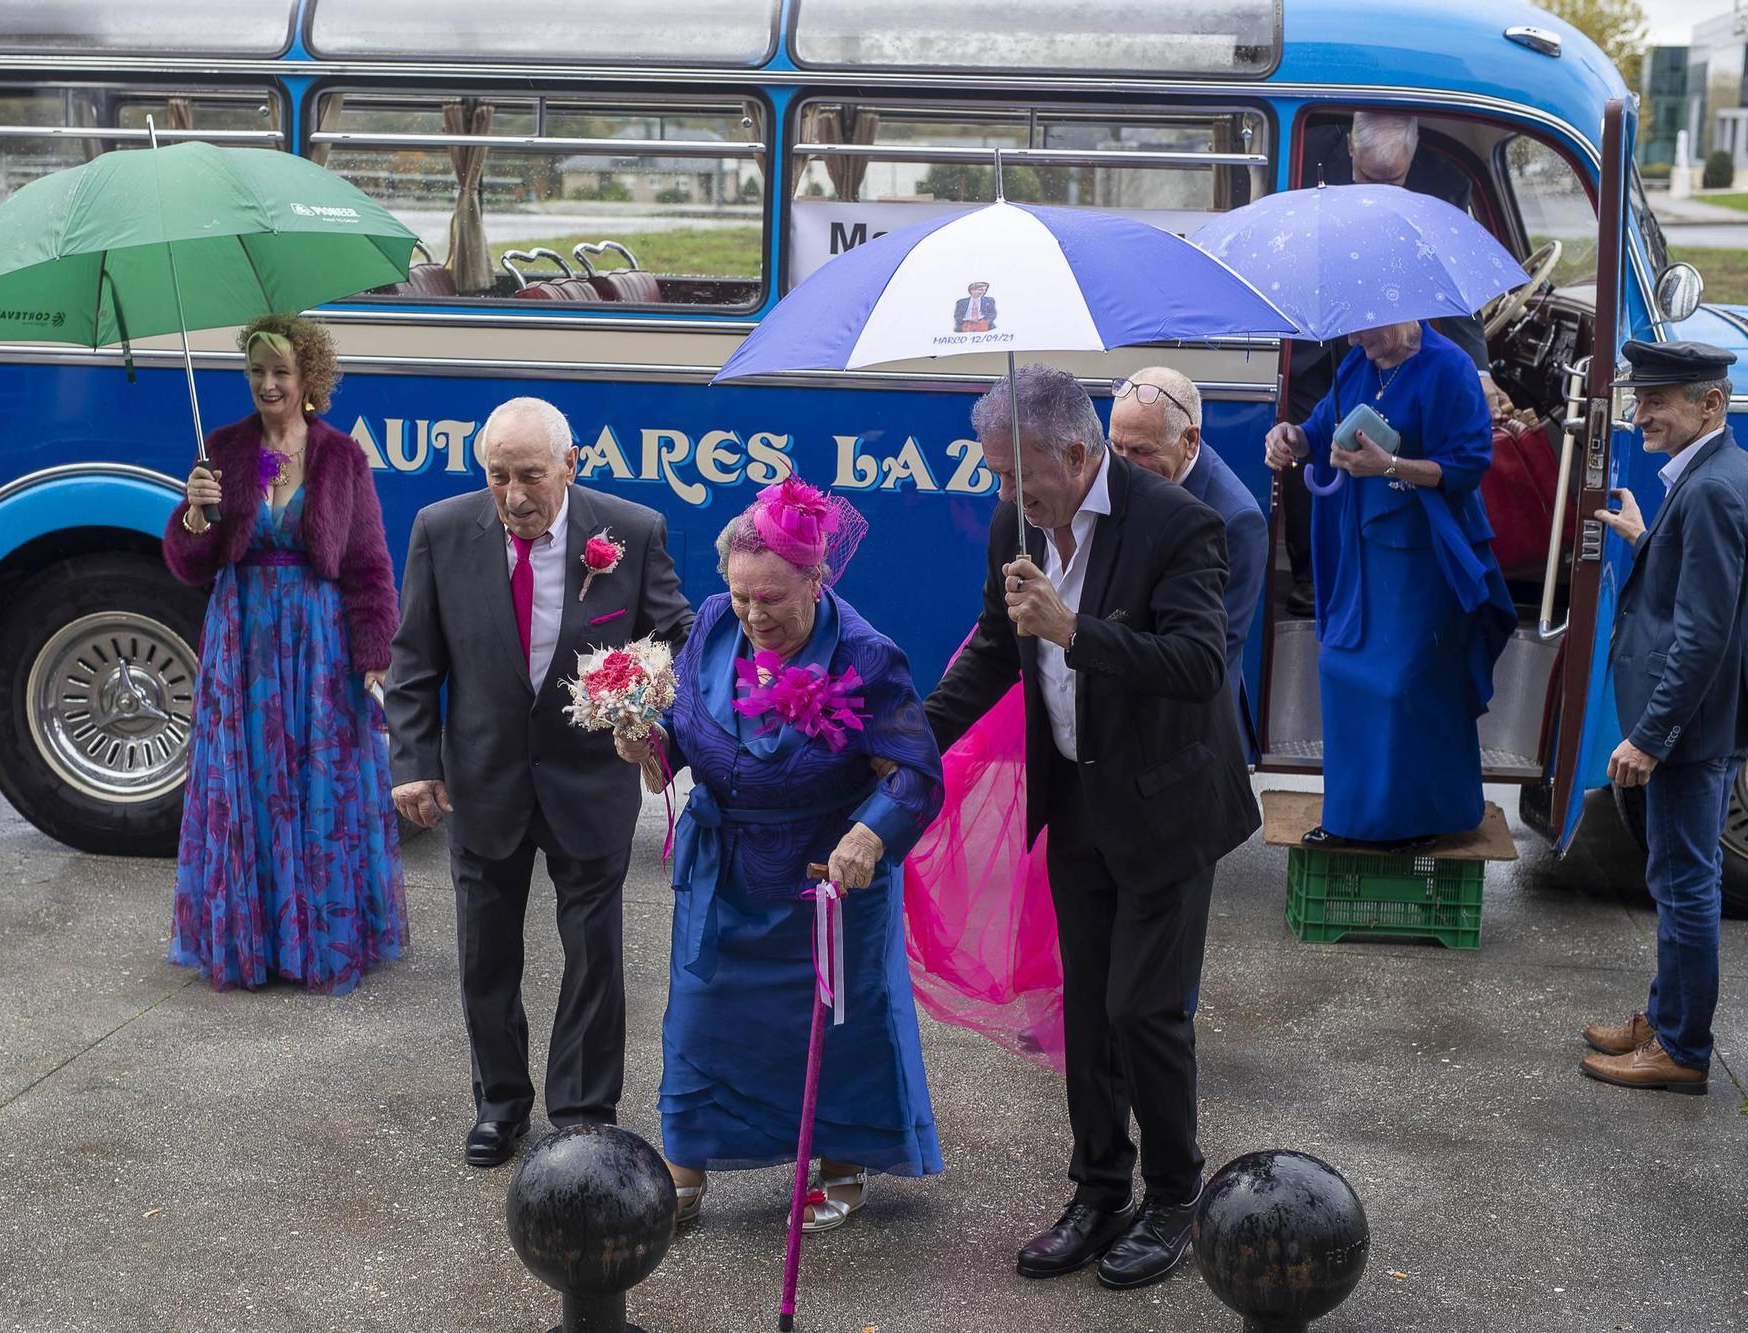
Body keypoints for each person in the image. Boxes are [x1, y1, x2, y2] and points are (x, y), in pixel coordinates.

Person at [926, 365, 1258, 1289]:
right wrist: (912, 742)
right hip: (1076, 800)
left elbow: (1199, 662)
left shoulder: (1180, 523)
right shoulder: (1017, 522)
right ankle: (1100, 1186)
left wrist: (1074, 628)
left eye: (1019, 478)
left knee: (1143, 1010)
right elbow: (999, 645)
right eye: (996, 477)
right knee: (1087, 1012)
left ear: (1080, 454)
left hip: (1168, 803)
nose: (1006, 496)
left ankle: (1175, 1193)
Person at [615, 476, 944, 1229]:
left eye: (772, 598)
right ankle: (686, 1164)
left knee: (834, 1025)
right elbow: (689, 743)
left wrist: (869, 834)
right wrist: (646, 746)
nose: (753, 614)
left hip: (823, 877)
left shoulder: (865, 654)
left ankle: (840, 1158)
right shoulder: (710, 624)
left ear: (817, 578)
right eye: (741, 595)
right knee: (701, 1017)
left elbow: (916, 773)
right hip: (725, 866)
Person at [383, 396, 694, 1167]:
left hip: (591, 779)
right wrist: (413, 764)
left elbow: (677, 640)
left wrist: (661, 721)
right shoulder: (442, 530)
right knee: (486, 954)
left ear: (570, 465)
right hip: (483, 778)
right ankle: (499, 1103)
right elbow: (415, 660)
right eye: (498, 477)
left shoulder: (632, 531)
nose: (515, 495)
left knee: (594, 952)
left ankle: (584, 1111)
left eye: (529, 475)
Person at [163, 314, 406, 996]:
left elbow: (367, 561)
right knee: (249, 784)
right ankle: (254, 942)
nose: (267, 385)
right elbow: (191, 564)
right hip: (242, 637)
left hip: (318, 637)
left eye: (281, 372)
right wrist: (194, 514)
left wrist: (373, 650)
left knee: (317, 785)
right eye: (256, 372)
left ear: (308, 379)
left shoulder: (340, 456)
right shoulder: (224, 450)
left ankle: (317, 942)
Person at [1264, 321, 1513, 848]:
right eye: (1349, 332)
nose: (1354, 342)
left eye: (1363, 331)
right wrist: (1292, 438)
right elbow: (1319, 427)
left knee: (1403, 684)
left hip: (1424, 554)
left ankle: (1423, 819)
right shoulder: (1358, 361)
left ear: (1400, 312)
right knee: (1338, 667)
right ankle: (1354, 821)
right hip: (1360, 547)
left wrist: (1391, 465)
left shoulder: (1450, 368)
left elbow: (1469, 465)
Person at [1581, 341, 1748, 1097]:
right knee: (1675, 875)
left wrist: (1651, 734)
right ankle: (1664, 1016)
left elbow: (1705, 631)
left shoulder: (1713, 489)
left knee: (1685, 884)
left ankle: (1680, 1048)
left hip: (1687, 733)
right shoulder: (1708, 476)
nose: (1639, 412)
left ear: (1708, 405)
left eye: (1658, 401)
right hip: (1692, 728)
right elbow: (1702, 590)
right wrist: (1647, 538)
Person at [1281, 111, 1508, 616]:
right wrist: (1296, 437)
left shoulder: (1445, 183)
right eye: (1369, 178)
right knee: (1315, 438)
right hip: (1314, 337)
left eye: (1395, 181)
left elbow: (1455, 285)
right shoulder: (1306, 153)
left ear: (1414, 155)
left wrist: (1481, 371)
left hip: (1394, 337)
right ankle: (1313, 575)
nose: (1382, 190)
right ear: (1350, 152)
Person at [1109, 368, 1268, 760]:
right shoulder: (1123, 475)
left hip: (1191, 739)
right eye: (1117, 447)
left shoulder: (1236, 520)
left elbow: (1208, 655)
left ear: (1189, 440)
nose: (1124, 466)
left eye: (1142, 451)